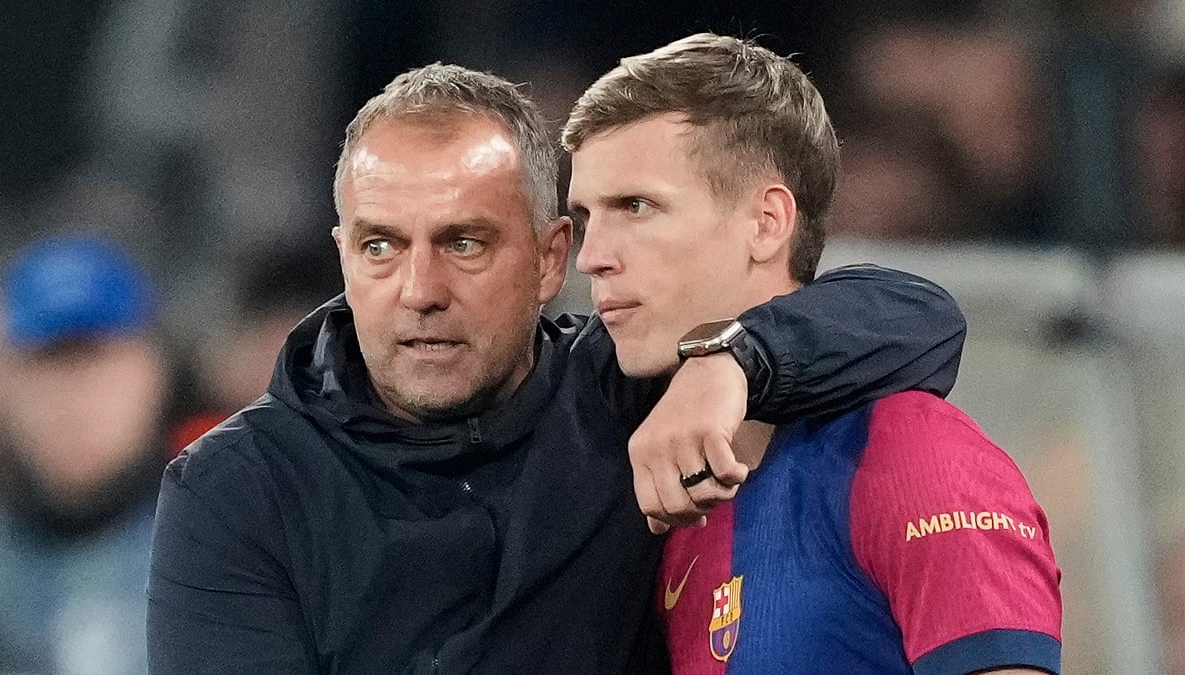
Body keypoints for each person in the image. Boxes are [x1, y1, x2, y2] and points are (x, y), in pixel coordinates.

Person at [146, 63, 966, 673]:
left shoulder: (622, 387)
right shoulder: (236, 489)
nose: (420, 291)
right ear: (344, 257)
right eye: (381, 246)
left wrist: (733, 362)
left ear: (550, 259)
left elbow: (918, 318)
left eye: (464, 242)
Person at [563, 33, 1061, 674]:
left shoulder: (907, 452)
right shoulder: (672, 496)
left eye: (636, 207)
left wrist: (729, 357)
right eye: (585, 217)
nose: (592, 256)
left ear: (766, 223)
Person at [0, 234, 169, 674]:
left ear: (151, 372)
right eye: (48, 366)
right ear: (5, 385)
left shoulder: (233, 544)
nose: (74, 398)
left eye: (95, 361)